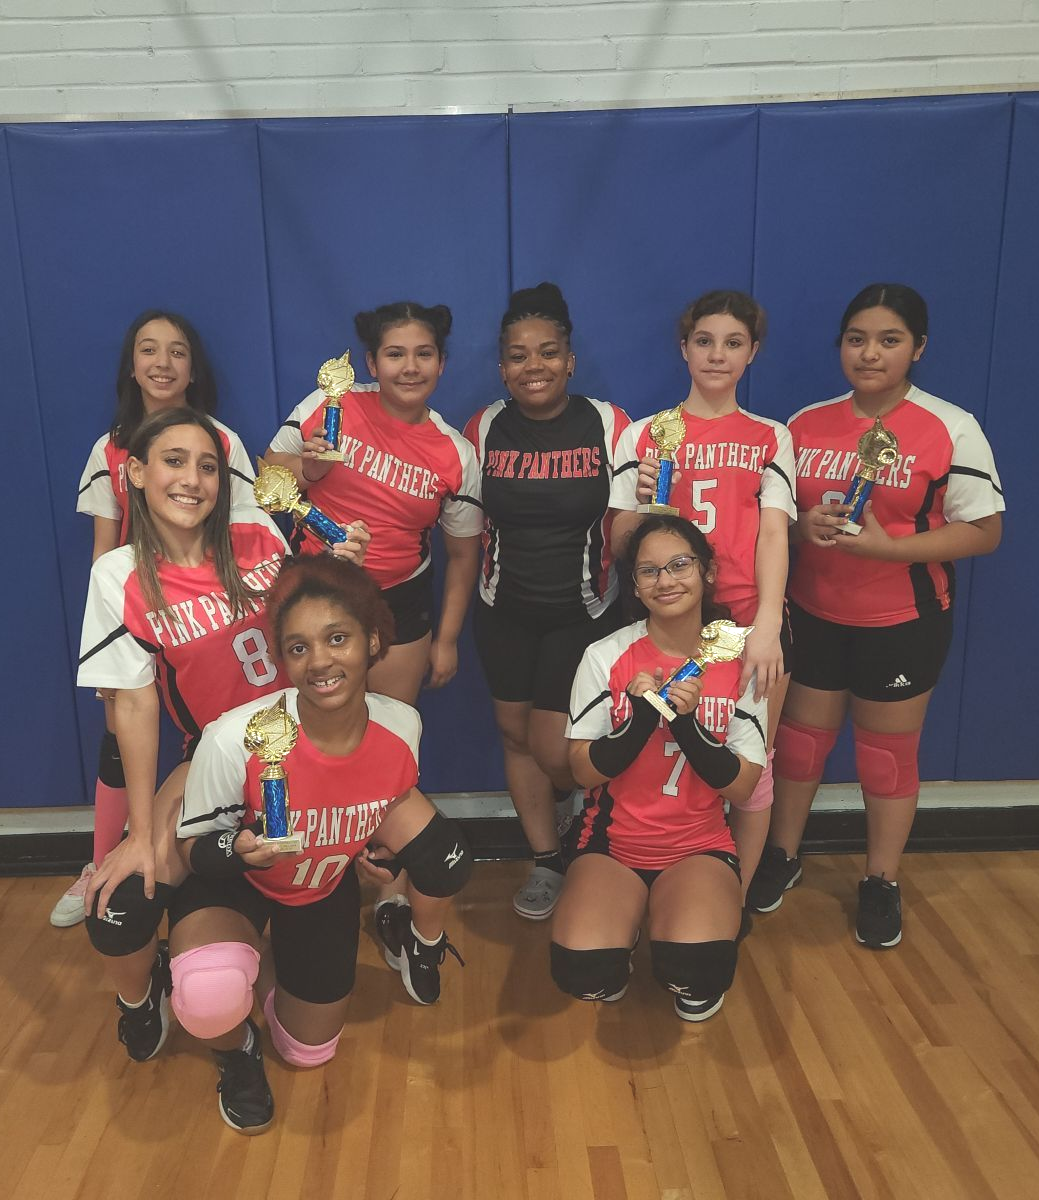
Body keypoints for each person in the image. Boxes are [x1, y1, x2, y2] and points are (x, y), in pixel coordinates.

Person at [76, 407, 368, 1064]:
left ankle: (264, 965)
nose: (193, 478)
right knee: (120, 903)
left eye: (207, 465)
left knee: (308, 1042)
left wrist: (341, 570)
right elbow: (134, 708)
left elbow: (312, 640)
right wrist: (145, 833)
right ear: (140, 474)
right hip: (211, 759)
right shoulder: (119, 574)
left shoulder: (257, 533)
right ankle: (141, 999)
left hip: (302, 751)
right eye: (174, 461)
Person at [171, 554, 473, 1134]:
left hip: (318, 888)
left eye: (337, 638)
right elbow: (194, 850)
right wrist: (238, 850)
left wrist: (371, 852)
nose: (320, 662)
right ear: (282, 659)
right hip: (236, 882)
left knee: (309, 1052)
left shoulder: (401, 725)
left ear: (373, 641)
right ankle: (233, 1046)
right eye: (299, 648)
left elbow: (373, 809)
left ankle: (263, 970)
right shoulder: (235, 736)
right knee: (209, 996)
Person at [747, 283, 1004, 948]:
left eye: (888, 340)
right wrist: (803, 526)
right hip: (814, 612)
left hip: (901, 620)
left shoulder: (948, 426)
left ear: (917, 348)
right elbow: (778, 525)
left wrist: (892, 549)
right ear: (840, 346)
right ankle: (781, 855)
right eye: (856, 338)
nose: (869, 353)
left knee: (884, 760)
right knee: (799, 746)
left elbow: (983, 530)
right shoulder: (804, 424)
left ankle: (880, 879)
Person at [52, 310, 256, 928]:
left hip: (207, 616)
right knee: (122, 736)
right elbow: (105, 549)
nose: (163, 363)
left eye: (177, 352)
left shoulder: (221, 440)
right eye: (149, 350)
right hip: (143, 616)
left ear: (194, 370)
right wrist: (112, 636)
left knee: (214, 738)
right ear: (132, 365)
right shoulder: (108, 447)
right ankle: (104, 860)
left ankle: (226, 857)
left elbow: (248, 536)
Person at [609, 291, 795, 906]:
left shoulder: (772, 436)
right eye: (705, 341)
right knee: (662, 746)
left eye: (733, 342)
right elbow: (617, 543)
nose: (718, 354)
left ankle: (733, 897)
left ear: (753, 352)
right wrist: (646, 505)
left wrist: (766, 626)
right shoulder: (645, 434)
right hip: (667, 620)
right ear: (684, 348)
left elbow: (773, 533)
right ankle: (657, 873)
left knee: (752, 763)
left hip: (746, 617)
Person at [552, 516, 767, 1022]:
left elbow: (742, 787)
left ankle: (681, 936)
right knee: (583, 972)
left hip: (699, 845)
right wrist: (644, 716)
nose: (666, 580)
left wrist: (687, 725)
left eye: (679, 565)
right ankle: (620, 939)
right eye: (649, 571)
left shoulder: (743, 656)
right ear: (635, 585)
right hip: (613, 844)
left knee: (697, 968)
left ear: (707, 571)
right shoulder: (605, 656)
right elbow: (581, 773)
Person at [463, 282, 630, 919]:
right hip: (503, 609)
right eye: (518, 356)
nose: (533, 367)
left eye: (547, 352)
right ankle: (547, 859)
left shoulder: (610, 424)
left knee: (556, 748)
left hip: (582, 611)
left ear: (570, 360)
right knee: (514, 735)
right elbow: (462, 523)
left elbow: (631, 519)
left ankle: (580, 818)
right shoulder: (483, 428)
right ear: (502, 366)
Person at [266, 301, 482, 704]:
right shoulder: (331, 402)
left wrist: (448, 639)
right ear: (371, 362)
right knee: (309, 732)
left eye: (424, 354)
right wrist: (310, 469)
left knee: (390, 727)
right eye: (395, 354)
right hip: (311, 587)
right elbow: (270, 473)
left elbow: (464, 555)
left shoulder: (457, 453)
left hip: (398, 600)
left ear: (442, 364)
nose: (410, 367)